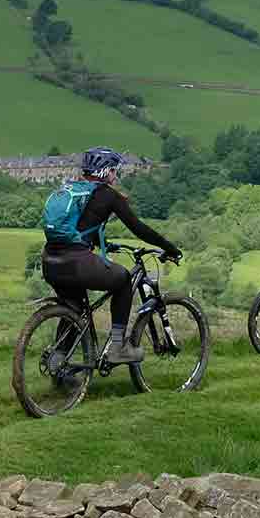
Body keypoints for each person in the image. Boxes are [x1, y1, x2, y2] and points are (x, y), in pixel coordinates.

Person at [40, 147, 182, 363]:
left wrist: (106, 245)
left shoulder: (71, 189)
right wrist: (170, 248)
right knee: (123, 280)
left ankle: (58, 363)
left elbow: (81, 227)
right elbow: (139, 228)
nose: (116, 176)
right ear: (105, 172)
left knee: (74, 309)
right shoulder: (108, 195)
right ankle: (118, 348)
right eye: (114, 171)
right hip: (77, 263)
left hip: (50, 263)